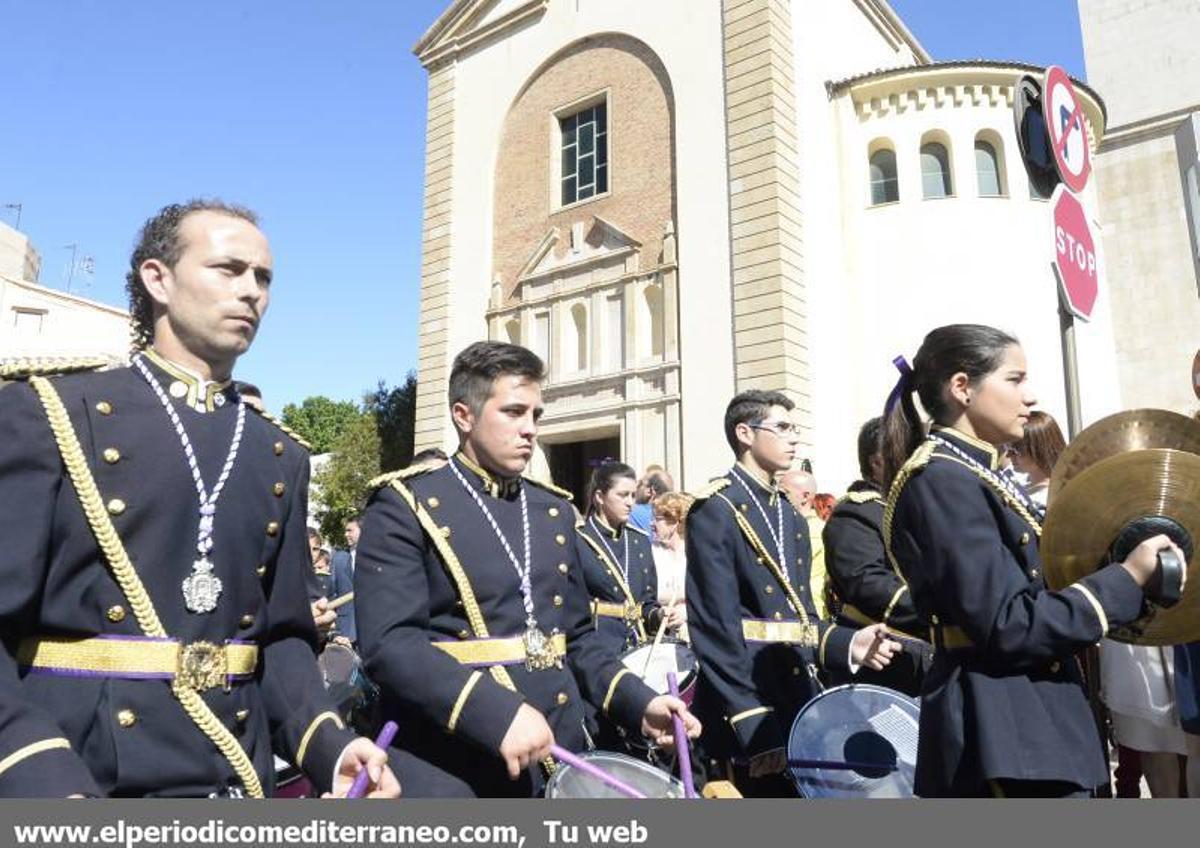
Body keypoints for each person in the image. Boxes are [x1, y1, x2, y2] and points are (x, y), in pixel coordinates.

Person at [0, 200, 397, 798]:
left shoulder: (278, 453)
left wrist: (328, 745)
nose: (252, 292)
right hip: (84, 774)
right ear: (158, 279)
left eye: (263, 278)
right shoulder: (50, 412)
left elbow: (282, 640)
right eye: (228, 269)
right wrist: (38, 775)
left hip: (234, 774)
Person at [355, 341, 700, 797]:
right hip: (452, 759)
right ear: (464, 415)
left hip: (557, 752)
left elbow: (575, 638)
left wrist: (640, 702)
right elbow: (391, 645)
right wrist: (496, 714)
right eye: (514, 412)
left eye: (536, 415)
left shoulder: (552, 510)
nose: (530, 430)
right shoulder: (405, 503)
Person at [882, 323, 1185, 797]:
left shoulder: (977, 473)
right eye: (1015, 379)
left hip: (1033, 718)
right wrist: (1125, 579)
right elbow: (1007, 624)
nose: (1031, 396)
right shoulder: (942, 480)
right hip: (1001, 724)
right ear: (962, 388)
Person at [686, 389, 900, 797]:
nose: (794, 437)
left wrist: (848, 643)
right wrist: (751, 720)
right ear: (745, 434)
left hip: (799, 697)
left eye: (794, 428)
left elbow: (798, 621)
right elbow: (715, 628)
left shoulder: (789, 514)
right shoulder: (716, 509)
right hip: (748, 705)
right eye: (782, 427)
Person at [822, 416, 931, 696]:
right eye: (909, 450)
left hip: (926, 656)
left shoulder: (910, 507)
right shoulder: (855, 514)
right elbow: (869, 584)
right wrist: (938, 612)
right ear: (878, 461)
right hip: (886, 661)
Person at [576, 462, 664, 652]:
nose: (630, 502)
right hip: (598, 648)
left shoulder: (639, 540)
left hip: (638, 646)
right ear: (600, 497)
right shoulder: (578, 540)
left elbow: (647, 602)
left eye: (633, 495)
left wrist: (659, 614)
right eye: (623, 495)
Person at [778, 468, 829, 618]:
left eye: (785, 492)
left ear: (805, 497)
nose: (778, 496)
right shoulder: (822, 527)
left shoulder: (811, 529)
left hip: (806, 611)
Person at [651, 492, 693, 641]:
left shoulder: (695, 554)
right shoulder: (651, 553)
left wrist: (685, 614)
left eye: (657, 519)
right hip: (657, 635)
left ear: (675, 521)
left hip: (693, 633)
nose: (652, 524)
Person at [1008, 410, 1065, 508]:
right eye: (1007, 448)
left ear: (1039, 450)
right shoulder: (1018, 484)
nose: (1008, 455)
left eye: (1016, 450)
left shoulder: (1053, 497)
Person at [329, 516, 360, 644]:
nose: (345, 534)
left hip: (374, 630)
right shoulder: (338, 559)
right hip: (344, 633)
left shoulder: (378, 558)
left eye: (349, 530)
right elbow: (331, 594)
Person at [629, 466, 672, 537]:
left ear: (650, 491)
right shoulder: (677, 515)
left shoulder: (631, 513)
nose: (636, 487)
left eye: (640, 484)